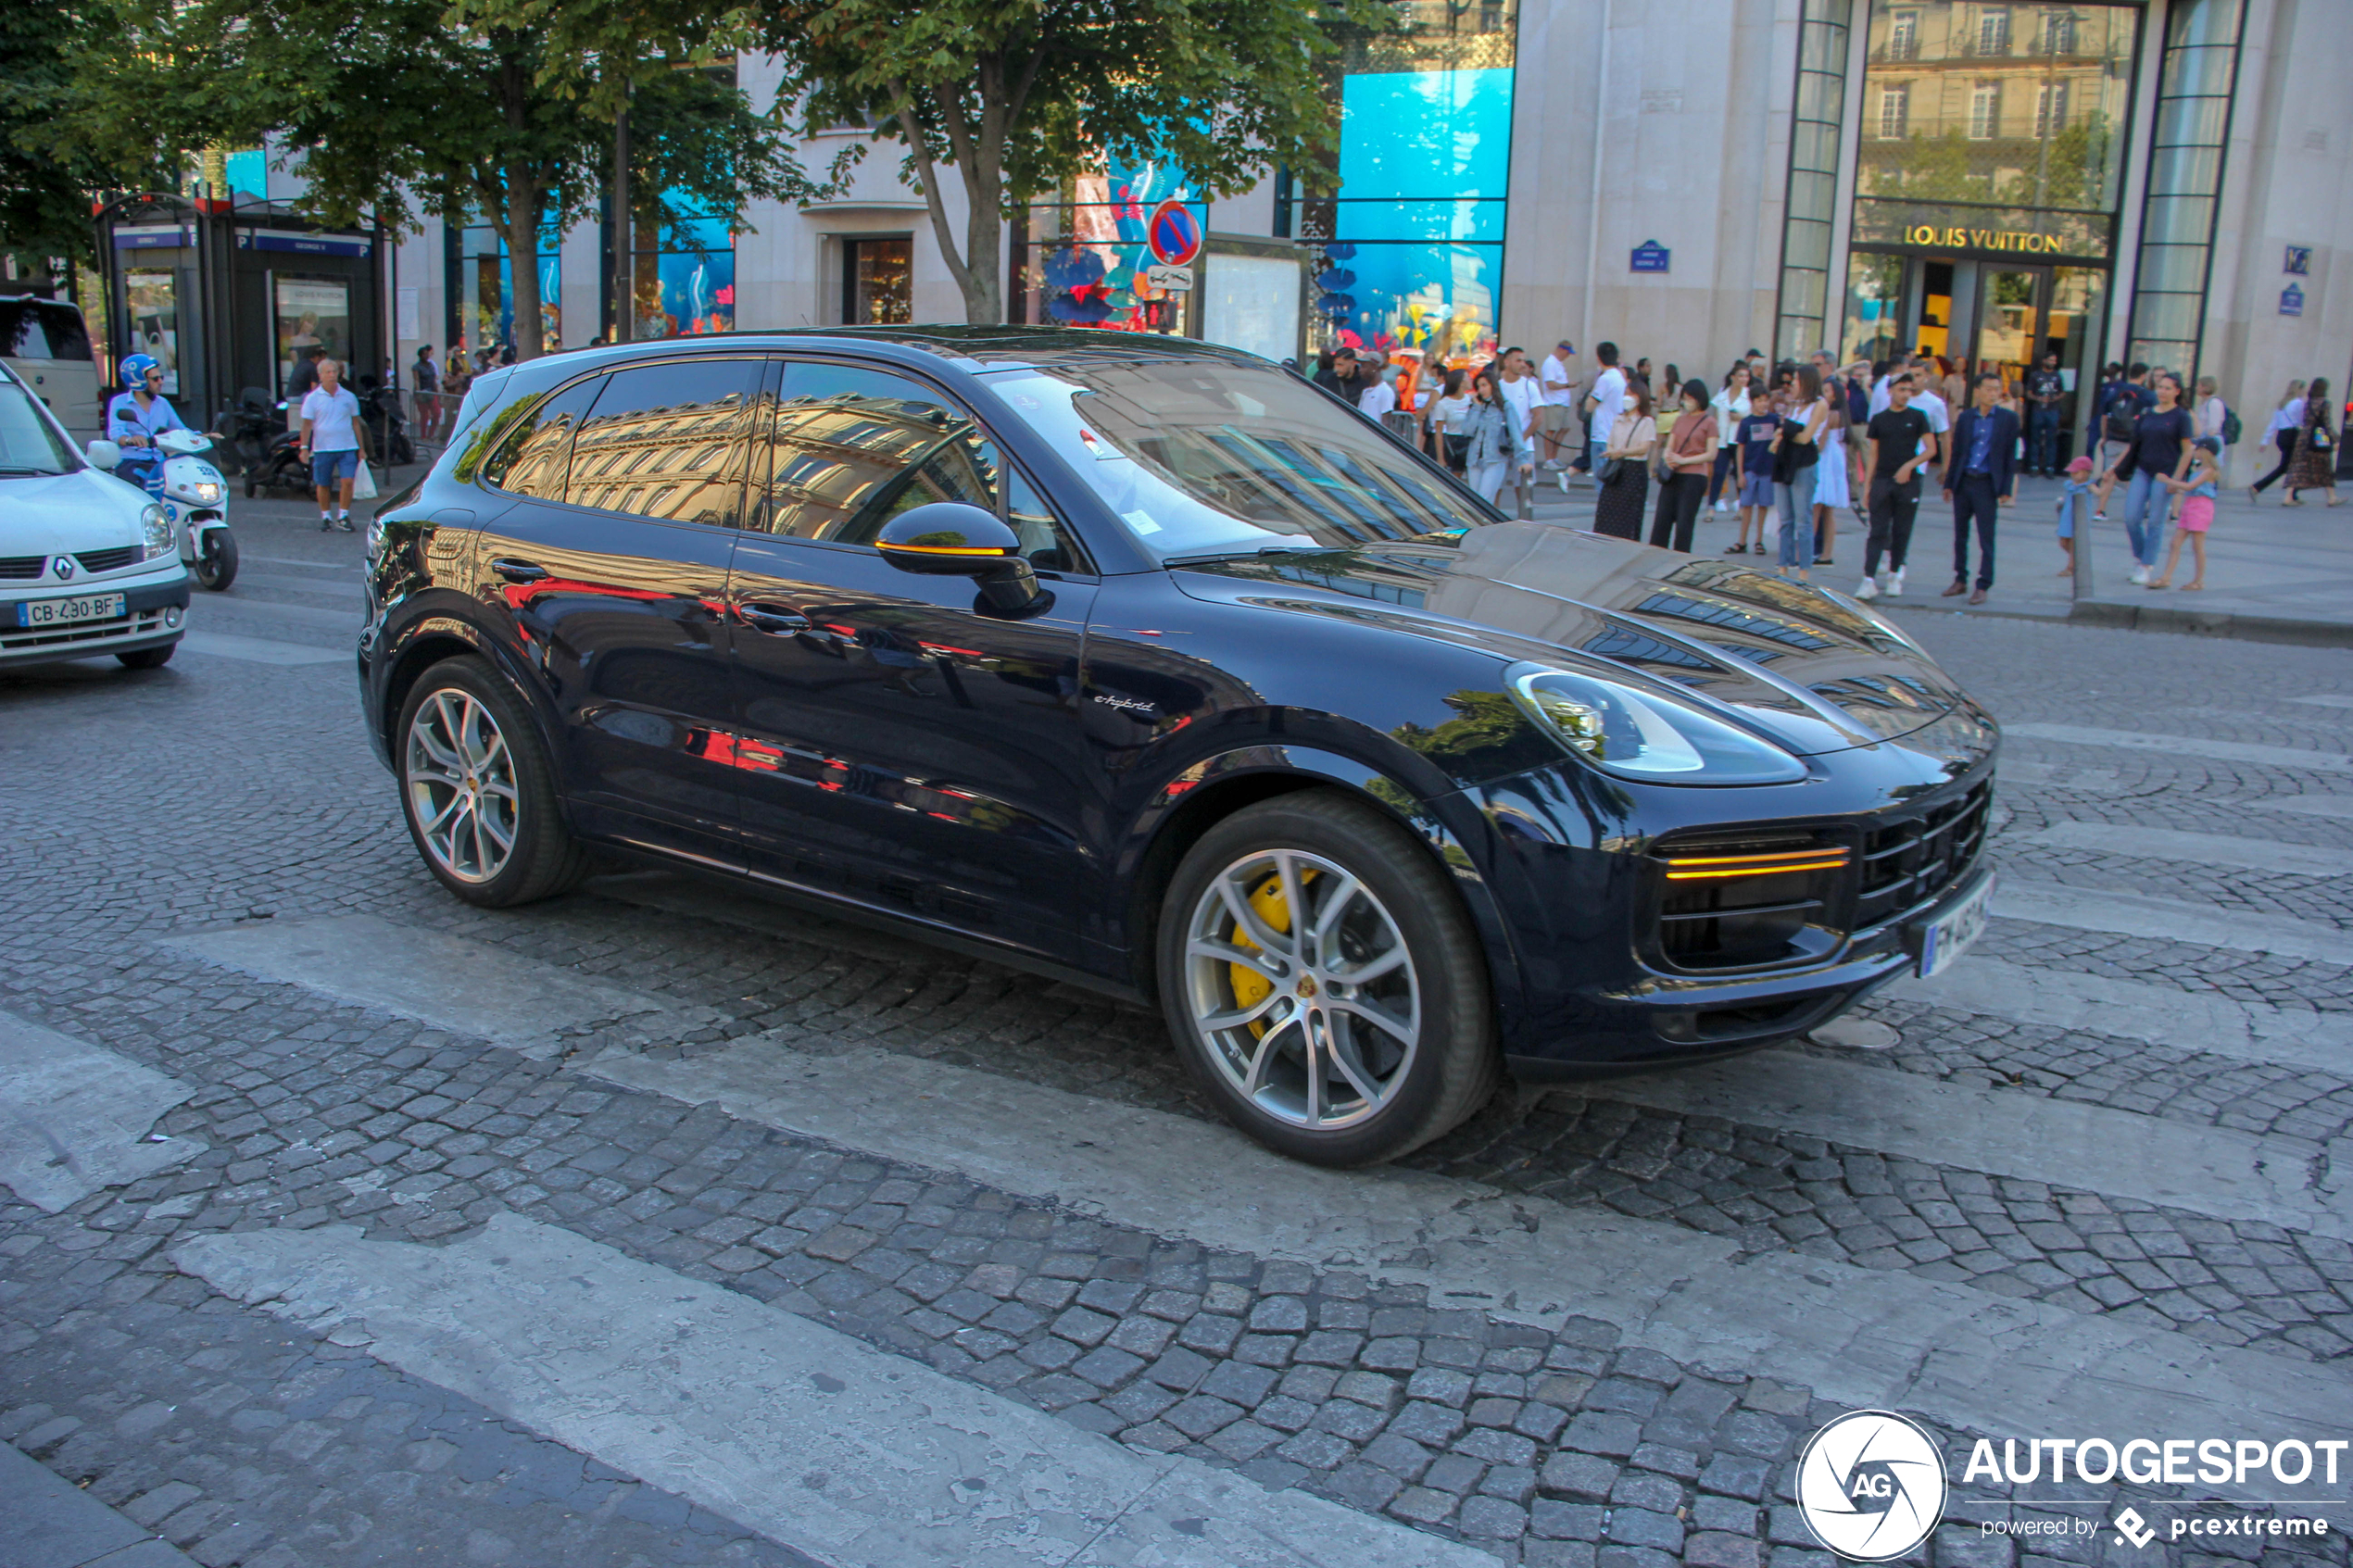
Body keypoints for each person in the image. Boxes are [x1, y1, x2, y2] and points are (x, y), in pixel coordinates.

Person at [1941, 371, 2019, 604]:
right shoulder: (1966, 418)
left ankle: (1983, 584)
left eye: (1997, 389)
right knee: (1959, 535)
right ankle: (1960, 578)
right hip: (1965, 481)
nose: (1993, 393)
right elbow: (1957, 452)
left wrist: (2006, 488)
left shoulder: (2008, 419)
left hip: (1987, 483)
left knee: (1986, 536)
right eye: (1989, 389)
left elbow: (2009, 456)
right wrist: (1949, 483)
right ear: (1978, 391)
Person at [1857, 374, 1933, 600]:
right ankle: (1868, 579)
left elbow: (1931, 449)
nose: (1906, 394)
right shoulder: (1880, 419)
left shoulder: (1919, 416)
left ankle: (1894, 574)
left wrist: (1909, 467)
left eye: (1909, 390)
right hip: (1883, 479)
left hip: (1909, 482)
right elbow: (1873, 454)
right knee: (1877, 531)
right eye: (1902, 389)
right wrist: (1867, 487)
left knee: (1902, 531)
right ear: (1890, 391)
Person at [2113, 371, 2195, 582]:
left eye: (2168, 388)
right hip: (2143, 470)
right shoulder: (2147, 413)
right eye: (2160, 387)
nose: (2162, 392)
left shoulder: (2181, 417)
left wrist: (2175, 479)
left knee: (2156, 521)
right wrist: (2114, 467)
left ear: (2177, 391)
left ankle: (2146, 565)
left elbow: (2187, 450)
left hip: (2165, 474)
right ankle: (2140, 557)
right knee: (2131, 517)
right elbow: (2134, 445)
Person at [1769, 366, 1831, 581]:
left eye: (1795, 379)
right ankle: (1783, 566)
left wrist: (1785, 434)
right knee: (1785, 518)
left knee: (1803, 519)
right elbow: (1783, 428)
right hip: (1785, 460)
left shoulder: (1819, 404)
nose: (1792, 384)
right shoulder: (1794, 405)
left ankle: (1804, 570)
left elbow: (1805, 437)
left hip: (1803, 461)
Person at [104, 354, 191, 501]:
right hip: (132, 461)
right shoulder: (119, 402)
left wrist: (202, 437)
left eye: (161, 377)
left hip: (158, 462)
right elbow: (116, 433)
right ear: (139, 381)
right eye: (155, 379)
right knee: (138, 498)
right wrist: (131, 439)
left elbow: (179, 429)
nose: (161, 382)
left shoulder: (162, 403)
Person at [299, 356, 370, 532]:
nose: (332, 375)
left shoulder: (348, 396)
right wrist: (304, 447)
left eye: (334, 372)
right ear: (320, 375)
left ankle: (343, 515)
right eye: (328, 372)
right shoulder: (313, 398)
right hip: (323, 447)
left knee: (347, 481)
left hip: (347, 446)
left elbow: (355, 423)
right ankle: (326, 516)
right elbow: (307, 425)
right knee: (323, 483)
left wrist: (362, 448)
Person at [1650, 380, 1717, 553]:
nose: (1687, 402)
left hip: (1694, 476)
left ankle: (1680, 560)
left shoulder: (1709, 422)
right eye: (1684, 398)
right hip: (1673, 474)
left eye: (1690, 398)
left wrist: (1683, 460)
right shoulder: (1679, 420)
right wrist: (1669, 456)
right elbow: (1669, 444)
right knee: (1661, 521)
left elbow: (1711, 453)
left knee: (1684, 524)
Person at [2150, 436, 2221, 590]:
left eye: (2197, 448)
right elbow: (2190, 489)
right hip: (2189, 505)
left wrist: (2167, 480)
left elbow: (2190, 486)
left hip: (2201, 507)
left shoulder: (2209, 471)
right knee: (2175, 543)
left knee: (2197, 546)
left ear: (2205, 451)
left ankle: (2198, 580)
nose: (2194, 451)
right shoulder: (2197, 469)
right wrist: (2176, 487)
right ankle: (2166, 577)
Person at [1592, 381, 1657, 541]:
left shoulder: (1646, 421)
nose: (1627, 397)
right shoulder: (1618, 419)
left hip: (1634, 470)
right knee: (1607, 510)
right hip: (1616, 468)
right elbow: (1611, 442)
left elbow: (1644, 447)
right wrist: (1613, 452)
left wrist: (1622, 452)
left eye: (1632, 394)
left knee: (1628, 514)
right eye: (1626, 393)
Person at [1460, 366, 1530, 508]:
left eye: (1485, 385)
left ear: (1493, 385)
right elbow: (1467, 431)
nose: (1482, 390)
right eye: (1479, 386)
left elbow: (1516, 433)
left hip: (1495, 459)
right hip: (1474, 460)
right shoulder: (1475, 407)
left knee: (1485, 500)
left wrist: (1523, 459)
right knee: (1473, 502)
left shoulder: (1505, 407)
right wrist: (1477, 408)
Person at [1730, 392, 1780, 554]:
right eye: (1760, 400)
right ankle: (1742, 540)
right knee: (1746, 505)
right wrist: (1740, 473)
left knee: (1764, 505)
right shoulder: (1746, 422)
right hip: (1750, 469)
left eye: (1766, 400)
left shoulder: (1774, 420)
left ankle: (1759, 540)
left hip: (1768, 470)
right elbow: (1740, 448)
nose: (1763, 404)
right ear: (1753, 402)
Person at [2283, 376, 2340, 506]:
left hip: (2304, 436)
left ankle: (2288, 497)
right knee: (2325, 466)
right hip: (2320, 435)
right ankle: (2332, 497)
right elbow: (2327, 423)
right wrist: (2335, 439)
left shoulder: (2308, 402)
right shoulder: (2325, 403)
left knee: (2297, 466)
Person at [2251, 380, 2308, 500]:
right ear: (2299, 389)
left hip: (2282, 436)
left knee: (2288, 466)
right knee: (2289, 466)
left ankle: (2293, 494)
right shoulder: (2298, 403)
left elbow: (2273, 424)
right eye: (2303, 389)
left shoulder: (2282, 404)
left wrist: (2265, 441)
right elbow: (2302, 420)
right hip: (2293, 435)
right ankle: (2257, 487)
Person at [1581, 342, 1628, 487]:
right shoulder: (1620, 378)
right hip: (1615, 433)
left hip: (1601, 434)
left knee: (1601, 480)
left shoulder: (1604, 379)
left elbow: (1589, 406)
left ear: (1599, 358)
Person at [1812, 395, 1852, 565]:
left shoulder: (1830, 414)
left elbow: (1821, 443)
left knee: (1816, 507)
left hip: (1826, 458)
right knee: (1828, 511)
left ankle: (1804, 552)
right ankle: (1826, 553)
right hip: (1836, 456)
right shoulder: (1843, 414)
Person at [1708, 364, 1752, 514]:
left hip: (1740, 439)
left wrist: (1741, 417)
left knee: (1740, 472)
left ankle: (1741, 504)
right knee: (1719, 472)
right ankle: (1713, 505)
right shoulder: (1722, 396)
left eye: (1746, 376)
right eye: (1740, 375)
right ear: (1733, 377)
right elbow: (1714, 417)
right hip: (1723, 440)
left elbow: (1755, 417)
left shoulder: (1750, 395)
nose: (1743, 379)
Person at [1538, 339, 1579, 477]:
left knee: (1564, 428)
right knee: (1551, 430)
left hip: (1562, 403)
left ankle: (1554, 457)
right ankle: (1548, 459)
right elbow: (1550, 384)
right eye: (1567, 353)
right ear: (1561, 350)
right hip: (1554, 403)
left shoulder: (1558, 364)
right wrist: (1568, 385)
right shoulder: (1550, 363)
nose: (1567, 356)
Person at [2024, 352, 2066, 475]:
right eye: (2051, 360)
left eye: (2054, 361)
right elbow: (2028, 392)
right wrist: (2039, 399)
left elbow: (2063, 392)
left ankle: (2049, 467)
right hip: (2038, 410)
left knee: (2051, 439)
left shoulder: (2057, 375)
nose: (2053, 363)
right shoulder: (2036, 375)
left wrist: (2054, 398)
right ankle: (2033, 466)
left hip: (2053, 410)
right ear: (2044, 361)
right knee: (2035, 438)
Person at [2056, 455, 2095, 578]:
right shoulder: (2070, 485)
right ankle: (2078, 559)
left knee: (2074, 543)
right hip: (2067, 517)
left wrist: (2106, 484)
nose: (2072, 475)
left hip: (2078, 518)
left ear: (2085, 473)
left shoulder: (2088, 486)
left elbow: (2099, 493)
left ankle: (2071, 567)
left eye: (2075, 472)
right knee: (2063, 542)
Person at [1429, 369, 1474, 474]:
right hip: (1454, 442)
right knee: (1455, 476)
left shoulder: (1471, 400)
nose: (1471, 379)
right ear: (1461, 382)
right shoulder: (1443, 404)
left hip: (1471, 441)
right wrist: (1440, 458)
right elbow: (1438, 432)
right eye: (1467, 377)